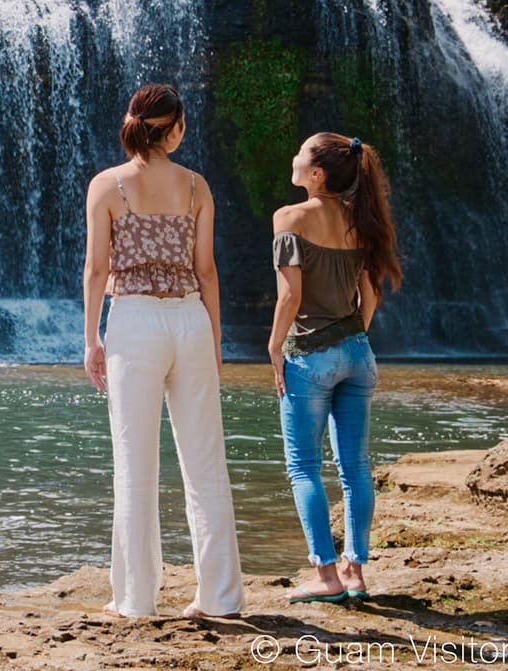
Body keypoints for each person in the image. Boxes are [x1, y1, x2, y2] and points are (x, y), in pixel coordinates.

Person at [82, 83, 244, 619]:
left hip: (133, 322)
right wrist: (215, 339)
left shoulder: (108, 186)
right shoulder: (197, 187)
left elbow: (96, 270)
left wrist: (91, 339)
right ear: (173, 129)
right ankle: (220, 597)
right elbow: (207, 271)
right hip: (191, 320)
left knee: (134, 461)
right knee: (205, 462)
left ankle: (136, 599)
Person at [267, 132, 402, 603]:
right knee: (356, 468)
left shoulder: (289, 218)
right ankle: (356, 571)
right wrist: (354, 337)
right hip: (358, 354)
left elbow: (291, 296)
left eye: (300, 153)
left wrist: (274, 347)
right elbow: (371, 295)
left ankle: (326, 576)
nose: (293, 157)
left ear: (317, 173)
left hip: (310, 358)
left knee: (304, 467)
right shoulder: (360, 220)